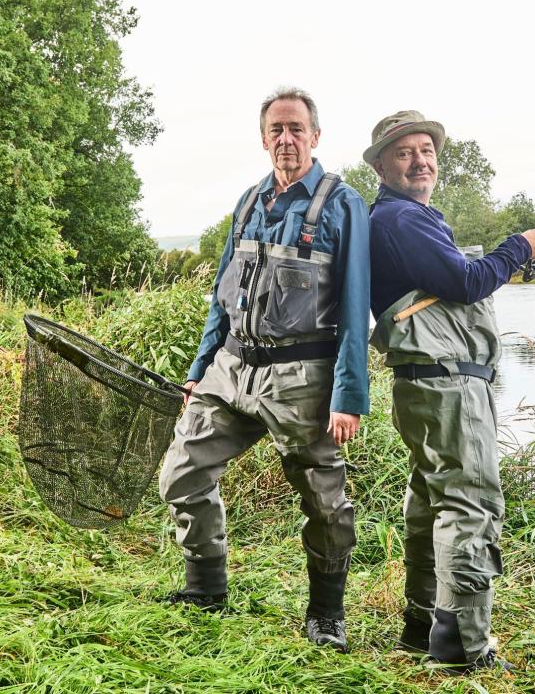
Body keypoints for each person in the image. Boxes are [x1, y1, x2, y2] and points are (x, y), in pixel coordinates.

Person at [158, 87, 370, 653]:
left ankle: (326, 614)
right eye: (276, 129)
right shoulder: (250, 201)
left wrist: (348, 395)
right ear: (263, 138)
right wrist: (201, 367)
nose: (286, 139)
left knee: (325, 502)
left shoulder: (341, 203)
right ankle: (206, 588)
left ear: (316, 136)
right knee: (179, 476)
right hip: (231, 370)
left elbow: (355, 307)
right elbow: (221, 295)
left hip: (301, 380)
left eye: (296, 128)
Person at [363, 110, 535, 672]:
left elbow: (452, 277)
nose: (420, 160)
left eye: (426, 150)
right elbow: (468, 282)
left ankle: (423, 627)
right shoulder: (403, 219)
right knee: (470, 506)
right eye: (404, 152)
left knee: (430, 504)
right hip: (448, 387)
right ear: (380, 165)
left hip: (425, 385)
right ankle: (462, 649)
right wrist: (519, 246)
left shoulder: (402, 218)